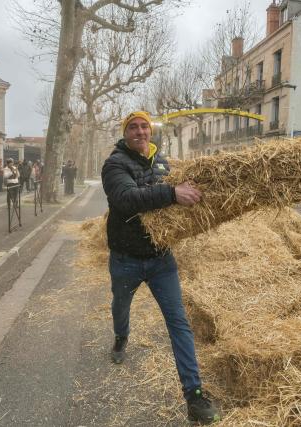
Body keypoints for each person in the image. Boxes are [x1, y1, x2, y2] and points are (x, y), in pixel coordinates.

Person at [101, 111, 220, 424]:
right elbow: (126, 198)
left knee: (178, 321)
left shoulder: (163, 161)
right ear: (125, 133)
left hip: (160, 258)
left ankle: (194, 395)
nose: (140, 132)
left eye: (144, 127)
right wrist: (171, 193)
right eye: (133, 127)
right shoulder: (115, 164)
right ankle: (120, 336)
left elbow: (180, 193)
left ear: (150, 132)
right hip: (126, 259)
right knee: (120, 306)